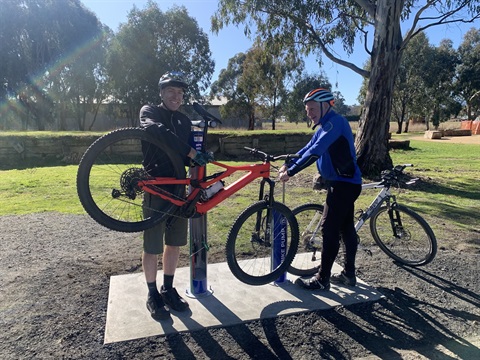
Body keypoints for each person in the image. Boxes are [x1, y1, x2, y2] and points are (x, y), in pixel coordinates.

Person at [139, 71, 212, 320]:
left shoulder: (183, 121)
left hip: (179, 188)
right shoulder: (149, 111)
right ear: (161, 93)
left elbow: (190, 156)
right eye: (171, 91)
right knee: (152, 245)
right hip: (156, 185)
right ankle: (152, 294)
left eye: (180, 93)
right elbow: (157, 132)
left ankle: (168, 289)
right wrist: (191, 152)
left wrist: (201, 164)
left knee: (174, 242)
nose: (176, 96)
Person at [278, 88, 362, 291]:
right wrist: (288, 162)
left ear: (326, 106)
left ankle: (322, 279)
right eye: (307, 109)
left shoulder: (335, 123)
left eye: (312, 108)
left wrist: (293, 171)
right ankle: (349, 275)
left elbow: (315, 152)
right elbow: (307, 148)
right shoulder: (324, 127)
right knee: (346, 228)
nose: (309, 113)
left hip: (344, 185)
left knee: (329, 229)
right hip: (343, 184)